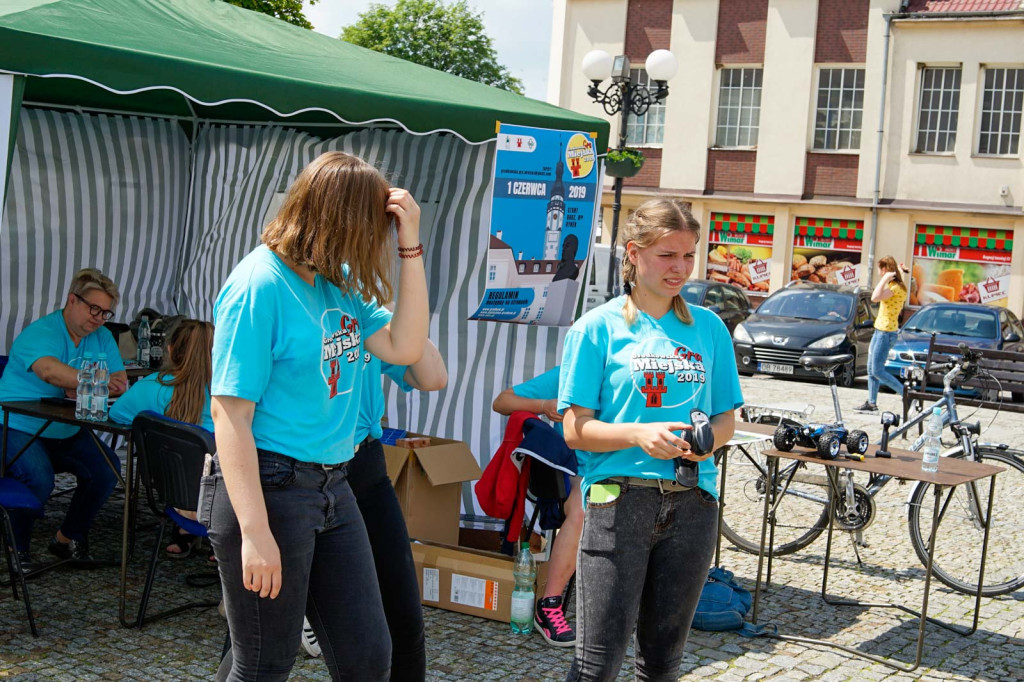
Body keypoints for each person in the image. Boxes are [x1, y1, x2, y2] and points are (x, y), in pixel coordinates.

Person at [206, 151, 428, 681]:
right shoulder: (258, 285)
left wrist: (411, 247)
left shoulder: (338, 279)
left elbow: (406, 346)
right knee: (265, 665)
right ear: (340, 220)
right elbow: (229, 415)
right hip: (270, 485)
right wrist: (255, 533)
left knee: (368, 657)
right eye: (371, 229)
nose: (374, 243)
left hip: (333, 483)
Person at [557, 199, 743, 681]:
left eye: (689, 255)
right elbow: (575, 430)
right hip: (618, 501)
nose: (680, 267)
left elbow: (726, 418)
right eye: (667, 255)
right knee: (596, 664)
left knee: (662, 664)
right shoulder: (595, 329)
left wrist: (708, 443)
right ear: (634, 254)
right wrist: (638, 434)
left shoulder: (710, 328)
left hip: (694, 503)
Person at [309, 338, 447, 675]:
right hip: (300, 471)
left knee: (403, 620)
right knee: (264, 645)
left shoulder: (369, 317)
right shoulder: (287, 307)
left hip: (364, 466)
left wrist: (402, 318)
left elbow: (433, 377)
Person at [0, 268, 129, 572]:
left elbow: (120, 380)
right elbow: (49, 371)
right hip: (15, 424)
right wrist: (91, 381)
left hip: (64, 428)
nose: (99, 318)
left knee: (106, 470)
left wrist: (81, 381)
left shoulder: (102, 337)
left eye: (105, 313)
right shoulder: (42, 331)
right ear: (73, 300)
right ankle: (16, 548)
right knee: (38, 478)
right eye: (94, 308)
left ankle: (66, 539)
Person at [109, 319, 215, 558]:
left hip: (176, 497)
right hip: (226, 508)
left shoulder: (150, 387)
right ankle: (224, 543)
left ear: (170, 349)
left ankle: (185, 529)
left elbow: (116, 414)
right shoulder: (232, 394)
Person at [492, 366, 581, 647]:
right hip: (577, 473)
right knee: (585, 506)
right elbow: (502, 401)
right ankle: (549, 604)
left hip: (628, 471)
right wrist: (544, 405)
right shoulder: (570, 373)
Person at [857, 256, 908, 412]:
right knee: (871, 368)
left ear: (885, 269)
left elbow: (874, 297)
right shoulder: (896, 285)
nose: (879, 272)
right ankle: (871, 403)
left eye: (881, 270)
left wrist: (885, 278)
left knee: (877, 370)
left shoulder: (895, 288)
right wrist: (898, 271)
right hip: (880, 330)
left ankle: (906, 394)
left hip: (885, 333)